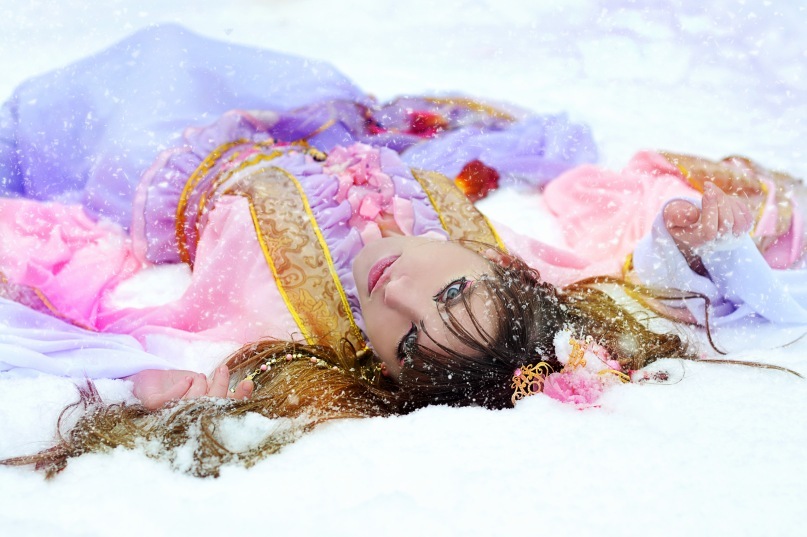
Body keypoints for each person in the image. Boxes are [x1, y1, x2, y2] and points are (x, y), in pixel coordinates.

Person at [1, 26, 805, 477]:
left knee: (158, 58)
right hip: (293, 120)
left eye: (411, 339)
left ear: (386, 368)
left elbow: (103, 311)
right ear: (497, 268)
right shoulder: (499, 243)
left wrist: (150, 381)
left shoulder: (282, 313)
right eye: (450, 294)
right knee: (294, 76)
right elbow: (632, 267)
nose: (398, 293)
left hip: (152, 149)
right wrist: (706, 241)